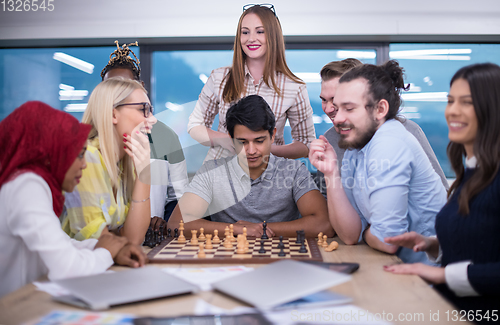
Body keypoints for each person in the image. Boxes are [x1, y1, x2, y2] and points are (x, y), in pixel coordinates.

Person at [384, 63, 500, 315]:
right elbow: (484, 243)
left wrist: (441, 274)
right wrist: (432, 244)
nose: (453, 111)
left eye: (466, 102)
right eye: (450, 101)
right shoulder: (470, 172)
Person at [0, 101, 147, 298]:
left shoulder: (35, 185)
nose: (84, 165)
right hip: (15, 308)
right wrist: (104, 253)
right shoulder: (26, 186)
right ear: (50, 154)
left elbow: (61, 244)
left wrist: (108, 247)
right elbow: (67, 269)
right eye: (78, 155)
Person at [309, 60, 447, 263]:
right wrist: (331, 173)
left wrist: (366, 233)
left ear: (380, 109)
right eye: (337, 107)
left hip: (435, 270)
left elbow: (388, 241)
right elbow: (349, 235)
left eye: (348, 108)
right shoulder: (354, 148)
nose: (336, 117)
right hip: (399, 264)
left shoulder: (390, 140)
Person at [169, 95, 333, 238]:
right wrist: (236, 230)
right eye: (242, 142)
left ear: (273, 135)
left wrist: (259, 229)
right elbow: (176, 223)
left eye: (259, 141)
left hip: (283, 261)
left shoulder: (294, 171)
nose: (251, 150)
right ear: (231, 139)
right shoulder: (211, 172)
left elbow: (324, 224)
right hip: (229, 260)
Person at [188, 4, 315, 161]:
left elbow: (306, 144)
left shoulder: (294, 87)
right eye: (245, 32)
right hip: (221, 172)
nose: (251, 38)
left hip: (269, 176)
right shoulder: (219, 77)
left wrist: (265, 149)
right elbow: (195, 126)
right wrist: (226, 140)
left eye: (260, 31)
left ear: (273, 36)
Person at [316, 58, 449, 196]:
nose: (328, 109)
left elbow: (441, 194)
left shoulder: (408, 132)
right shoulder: (330, 140)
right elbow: (326, 200)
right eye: (324, 100)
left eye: (337, 99)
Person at [101, 41, 188, 224]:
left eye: (126, 86)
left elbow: (178, 198)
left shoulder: (165, 136)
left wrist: (164, 222)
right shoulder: (91, 144)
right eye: (111, 87)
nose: (118, 94)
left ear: (140, 87)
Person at [63, 77, 157, 245]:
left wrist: (145, 174)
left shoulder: (124, 164)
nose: (153, 119)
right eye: (144, 109)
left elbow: (133, 239)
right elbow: (99, 243)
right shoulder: (87, 158)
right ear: (113, 114)